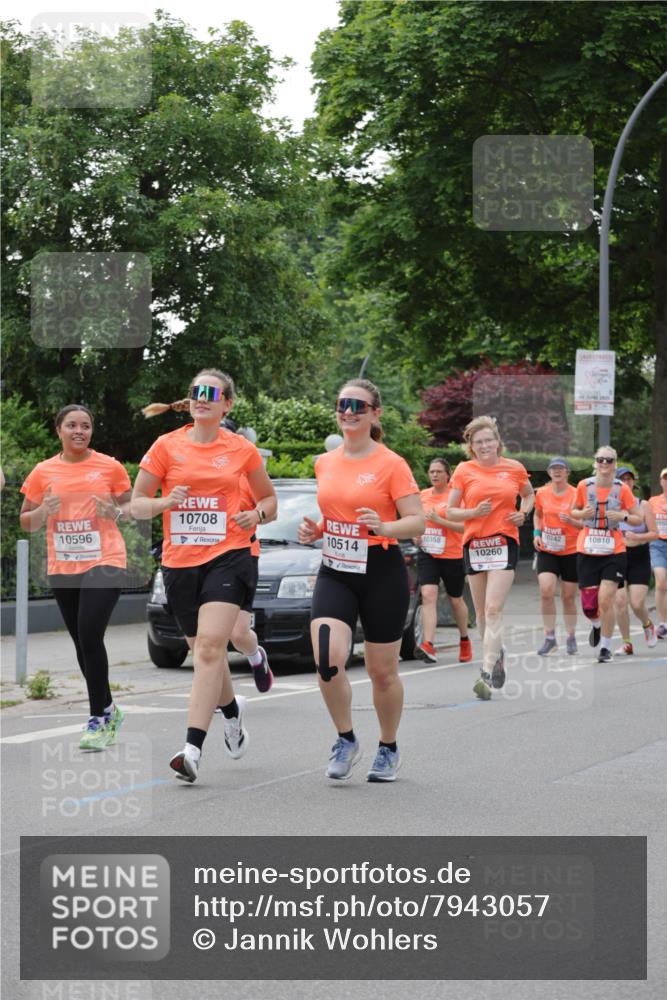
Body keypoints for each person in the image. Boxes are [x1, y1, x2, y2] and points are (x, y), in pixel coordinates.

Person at [132, 370, 277, 782]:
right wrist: (164, 504)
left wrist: (257, 514)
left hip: (229, 555)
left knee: (213, 647)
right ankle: (232, 712)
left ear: (227, 404)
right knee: (204, 655)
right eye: (196, 392)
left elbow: (270, 500)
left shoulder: (241, 450)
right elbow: (136, 504)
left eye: (211, 393)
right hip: (180, 561)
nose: (202, 398)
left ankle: (191, 748)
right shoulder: (165, 446)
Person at [297, 378, 424, 783]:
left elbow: (417, 520)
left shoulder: (391, 463)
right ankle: (346, 738)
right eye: (341, 403)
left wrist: (385, 525)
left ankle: (388, 746)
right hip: (336, 569)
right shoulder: (325, 461)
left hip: (380, 571)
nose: (348, 410)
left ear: (375, 413)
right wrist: (318, 531)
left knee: (381, 672)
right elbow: (336, 513)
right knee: (326, 659)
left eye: (357, 404)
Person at [20, 405, 131, 750]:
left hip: (106, 559)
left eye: (85, 426)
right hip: (64, 565)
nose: (79, 431)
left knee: (89, 631)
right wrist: (42, 511)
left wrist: (114, 510)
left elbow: (130, 508)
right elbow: (26, 521)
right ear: (59, 430)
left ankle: (98, 718)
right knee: (82, 642)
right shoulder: (43, 471)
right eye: (72, 425)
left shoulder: (109, 466)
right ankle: (110, 707)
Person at [447, 415, 534, 700]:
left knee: (494, 609)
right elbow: (451, 511)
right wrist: (473, 513)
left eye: (488, 440)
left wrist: (524, 512)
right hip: (474, 544)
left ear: (498, 443)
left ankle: (485, 672)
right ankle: (496, 654)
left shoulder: (514, 468)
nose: (484, 446)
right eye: (478, 442)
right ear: (471, 447)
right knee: (482, 613)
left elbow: (529, 494)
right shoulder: (463, 470)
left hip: (504, 540)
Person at [569, 447, 643, 663]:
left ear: (615, 464)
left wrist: (623, 516)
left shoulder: (622, 490)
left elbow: (638, 518)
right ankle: (596, 624)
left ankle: (606, 648)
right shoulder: (584, 485)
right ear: (595, 463)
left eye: (609, 460)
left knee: (606, 599)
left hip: (614, 549)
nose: (604, 463)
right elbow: (572, 511)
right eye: (600, 459)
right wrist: (582, 514)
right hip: (588, 549)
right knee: (590, 607)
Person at [413, 458, 472, 664]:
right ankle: (428, 644)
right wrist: (415, 535)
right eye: (431, 471)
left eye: (439, 471)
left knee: (455, 599)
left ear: (448, 474)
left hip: (452, 554)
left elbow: (467, 528)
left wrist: (441, 521)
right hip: (428, 552)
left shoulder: (456, 497)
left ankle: (464, 639)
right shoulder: (423, 495)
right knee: (428, 594)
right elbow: (417, 522)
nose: (435, 475)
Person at [533, 457, 580, 656]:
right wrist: (536, 533)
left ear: (568, 472)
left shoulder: (577, 494)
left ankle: (570, 635)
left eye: (561, 468)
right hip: (548, 549)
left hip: (571, 550)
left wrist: (571, 520)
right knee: (546, 590)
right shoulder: (542, 493)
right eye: (554, 468)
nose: (557, 471)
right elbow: (537, 514)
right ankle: (550, 637)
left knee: (568, 597)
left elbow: (584, 524)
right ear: (549, 472)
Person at [611, 467, 658, 655]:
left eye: (630, 479)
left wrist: (636, 537)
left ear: (634, 482)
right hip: (617, 557)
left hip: (639, 557)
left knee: (637, 603)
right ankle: (626, 642)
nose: (627, 482)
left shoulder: (643, 505)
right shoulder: (610, 507)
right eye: (622, 479)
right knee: (620, 602)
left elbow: (655, 533)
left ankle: (647, 624)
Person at [648, 467, 667, 639]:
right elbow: (646, 521)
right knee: (661, 581)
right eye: (666, 478)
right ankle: (663, 624)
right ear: (661, 481)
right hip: (658, 544)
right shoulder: (653, 501)